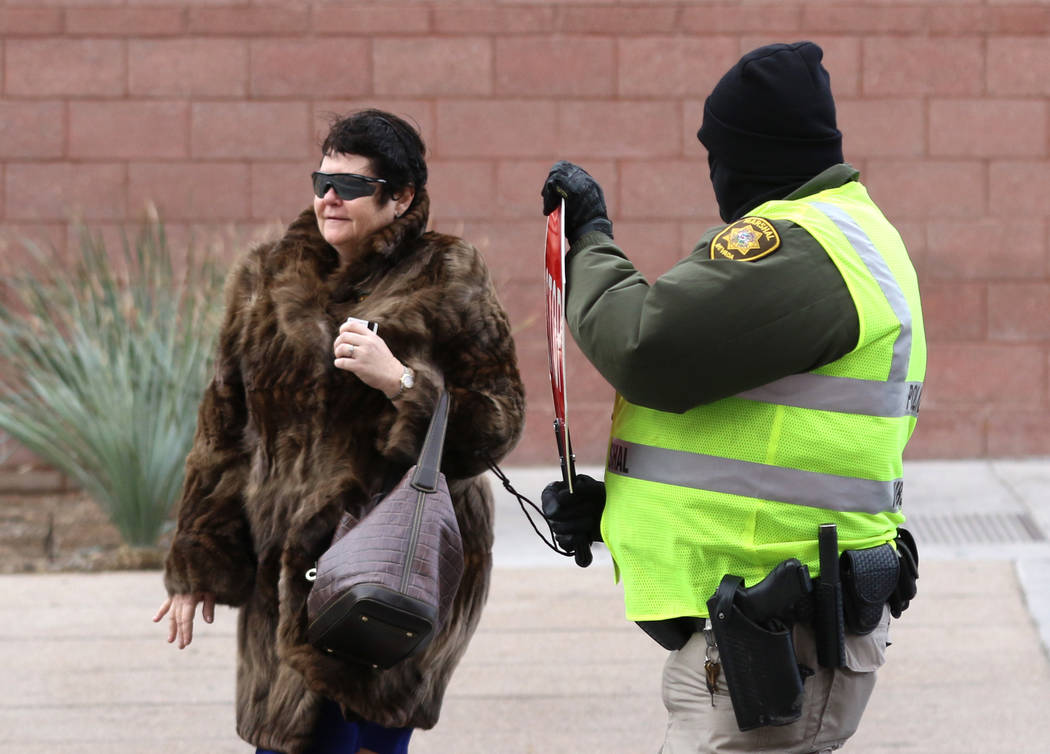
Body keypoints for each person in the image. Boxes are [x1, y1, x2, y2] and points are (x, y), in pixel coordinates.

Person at [540, 42, 924, 754]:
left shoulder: (802, 246)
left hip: (776, 647)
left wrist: (589, 241)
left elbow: (647, 350)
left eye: (717, 152)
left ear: (749, 152)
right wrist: (616, 512)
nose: (715, 173)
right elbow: (759, 444)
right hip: (760, 642)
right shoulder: (846, 236)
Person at [153, 109, 525, 754]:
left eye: (352, 185)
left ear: (400, 196)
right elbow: (223, 431)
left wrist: (402, 384)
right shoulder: (265, 277)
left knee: (366, 742)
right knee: (287, 740)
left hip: (393, 562)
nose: (330, 196)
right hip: (286, 566)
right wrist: (200, 557)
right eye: (322, 180)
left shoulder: (448, 273)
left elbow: (499, 418)